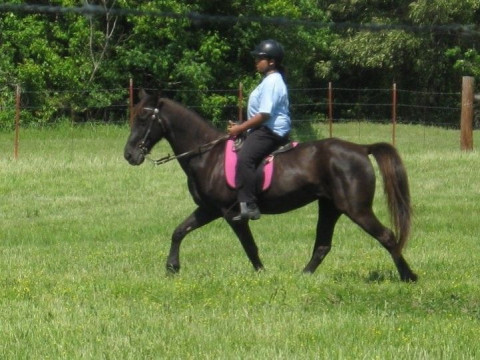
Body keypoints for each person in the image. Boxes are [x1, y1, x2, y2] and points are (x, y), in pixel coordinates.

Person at [227, 39, 291, 221]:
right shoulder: (269, 80)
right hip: (262, 128)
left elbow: (264, 115)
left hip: (270, 130)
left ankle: (250, 205)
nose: (256, 61)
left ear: (272, 61)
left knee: (245, 158)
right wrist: (241, 126)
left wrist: (240, 127)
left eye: (260, 58)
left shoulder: (272, 81)